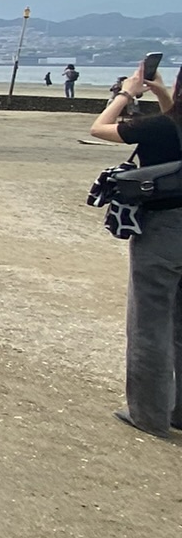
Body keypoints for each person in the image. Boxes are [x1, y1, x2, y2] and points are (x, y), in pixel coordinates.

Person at [91, 59, 182, 439]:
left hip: (165, 229)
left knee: (150, 322)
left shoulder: (162, 127)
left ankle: (148, 414)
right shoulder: (168, 124)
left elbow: (99, 129)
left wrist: (128, 91)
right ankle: (178, 410)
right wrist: (162, 94)